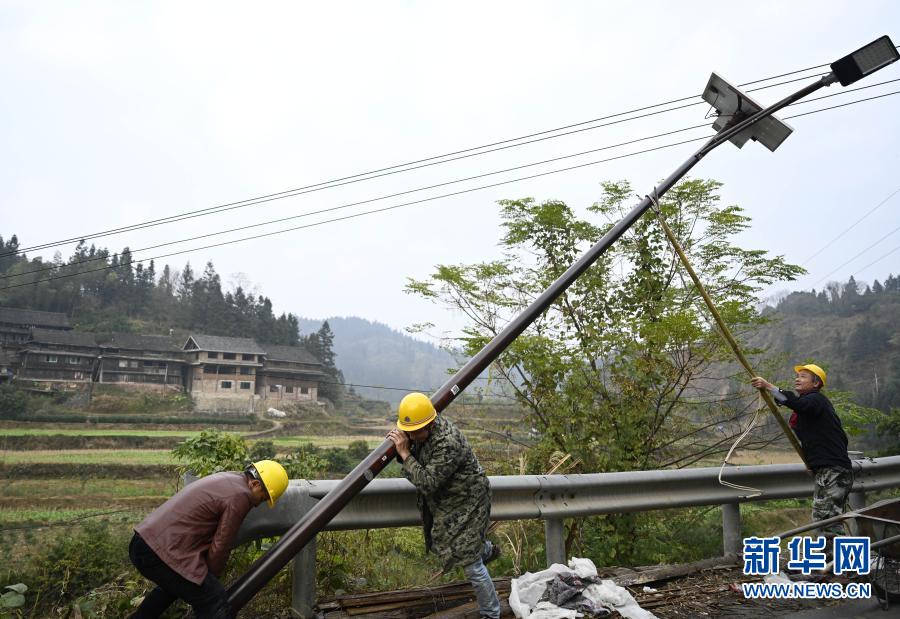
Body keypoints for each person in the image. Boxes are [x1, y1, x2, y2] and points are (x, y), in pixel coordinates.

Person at [387, 392, 501, 619]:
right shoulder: (421, 432)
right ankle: (485, 549)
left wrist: (405, 454)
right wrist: (407, 447)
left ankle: (491, 613)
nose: (413, 436)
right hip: (448, 500)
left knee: (470, 563)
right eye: (409, 432)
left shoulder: (447, 442)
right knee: (446, 545)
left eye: (418, 431)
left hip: (469, 500)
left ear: (431, 422)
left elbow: (428, 482)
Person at [128, 459, 289, 618]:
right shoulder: (241, 496)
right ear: (255, 485)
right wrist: (210, 579)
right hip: (158, 552)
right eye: (263, 498)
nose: (259, 503)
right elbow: (221, 545)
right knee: (213, 599)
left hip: (145, 544)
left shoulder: (231, 478)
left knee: (174, 587)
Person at [751, 364, 852, 535]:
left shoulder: (816, 400)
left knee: (826, 519)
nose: (798, 379)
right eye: (798, 376)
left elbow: (797, 403)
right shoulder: (810, 407)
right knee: (826, 519)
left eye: (804, 376)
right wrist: (813, 462)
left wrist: (768, 386)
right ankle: (834, 557)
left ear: (816, 384)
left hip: (832, 470)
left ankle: (833, 558)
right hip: (828, 468)